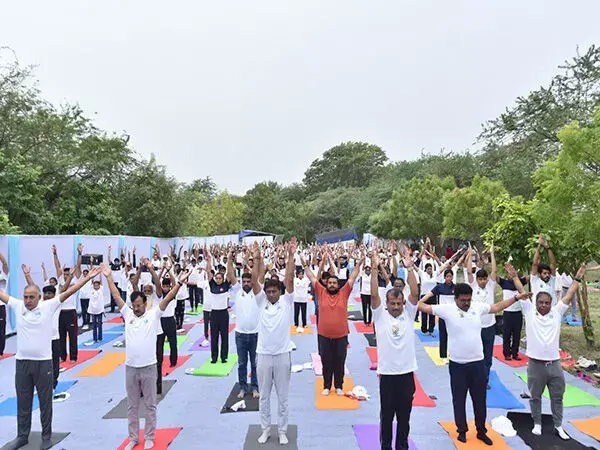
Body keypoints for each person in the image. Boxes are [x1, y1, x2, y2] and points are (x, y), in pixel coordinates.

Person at [418, 281, 532, 445]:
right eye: (463, 300)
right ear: (455, 299)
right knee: (459, 399)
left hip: (477, 364)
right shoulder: (447, 309)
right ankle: (462, 430)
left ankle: (481, 430)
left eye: (468, 300)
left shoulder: (477, 307)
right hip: (457, 365)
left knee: (479, 399)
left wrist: (516, 298)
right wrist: (425, 295)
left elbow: (497, 307)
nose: (466, 303)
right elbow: (422, 307)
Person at [1, 267, 100, 450]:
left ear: (39, 297)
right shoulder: (17, 305)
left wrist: (88, 279)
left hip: (43, 363)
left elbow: (70, 290)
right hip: (22, 363)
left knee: (45, 402)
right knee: (23, 401)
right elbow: (1, 294)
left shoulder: (49, 305)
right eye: (26, 297)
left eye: (32, 297)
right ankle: (22, 435)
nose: (28, 300)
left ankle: (46, 436)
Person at [103, 264, 187, 450]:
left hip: (149, 367)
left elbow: (169, 297)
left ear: (145, 303)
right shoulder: (128, 314)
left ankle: (149, 436)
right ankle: (133, 437)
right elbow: (116, 295)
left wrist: (180, 282)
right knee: (132, 406)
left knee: (150, 405)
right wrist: (109, 277)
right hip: (130, 368)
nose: (136, 309)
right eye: (134, 306)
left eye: (139, 306)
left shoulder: (153, 315)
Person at [509, 263, 585, 440]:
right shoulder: (529, 311)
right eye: (541, 303)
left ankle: (558, 426)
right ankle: (537, 423)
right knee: (535, 397)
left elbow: (570, 293)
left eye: (547, 303)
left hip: (555, 364)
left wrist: (579, 276)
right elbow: (520, 288)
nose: (543, 305)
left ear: (552, 303)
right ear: (535, 303)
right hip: (535, 364)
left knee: (557, 397)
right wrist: (514, 276)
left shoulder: (557, 312)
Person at [371, 246, 419, 450]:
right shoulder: (380, 316)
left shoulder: (409, 314)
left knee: (405, 417)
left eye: (399, 303)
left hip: (406, 374)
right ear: (387, 303)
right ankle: (385, 446)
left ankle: (402, 446)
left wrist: (409, 269)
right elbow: (374, 296)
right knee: (387, 416)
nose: (397, 306)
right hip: (388, 375)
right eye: (393, 303)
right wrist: (374, 271)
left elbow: (415, 293)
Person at [251, 239, 295, 445]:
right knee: (264, 397)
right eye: (268, 292)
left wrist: (291, 256)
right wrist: (257, 258)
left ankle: (283, 430)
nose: (270, 294)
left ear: (280, 292)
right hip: (264, 355)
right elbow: (253, 282)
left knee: (283, 398)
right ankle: (265, 429)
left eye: (274, 291)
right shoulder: (261, 303)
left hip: (283, 355)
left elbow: (290, 278)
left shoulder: (287, 302)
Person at [304, 247, 363, 395]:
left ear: (338, 285)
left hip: (341, 335)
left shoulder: (344, 293)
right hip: (324, 335)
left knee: (340, 361)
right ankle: (326, 386)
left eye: (334, 283)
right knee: (326, 361)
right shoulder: (321, 292)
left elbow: (353, 277)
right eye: (329, 283)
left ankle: (338, 386)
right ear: (326, 284)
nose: (331, 285)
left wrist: (358, 265)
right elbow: (312, 277)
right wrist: (305, 266)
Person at [230, 249, 261, 399]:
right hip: (240, 334)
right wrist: (230, 259)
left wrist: (255, 259)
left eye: (249, 281)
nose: (247, 283)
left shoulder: (257, 292)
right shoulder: (237, 292)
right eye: (245, 282)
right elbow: (230, 275)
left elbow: (256, 277)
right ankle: (242, 387)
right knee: (242, 363)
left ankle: (255, 387)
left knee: (255, 364)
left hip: (255, 334)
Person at [466, 246, 497, 388]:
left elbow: (494, 271)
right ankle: (474, 378)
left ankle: (485, 380)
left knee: (487, 356)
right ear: (477, 280)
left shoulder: (491, 286)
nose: (483, 281)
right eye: (481, 279)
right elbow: (468, 271)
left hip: (489, 326)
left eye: (485, 279)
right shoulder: (473, 287)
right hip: (475, 326)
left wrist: (491, 254)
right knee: (475, 354)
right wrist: (470, 254)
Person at [200, 250, 234, 363]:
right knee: (214, 337)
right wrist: (209, 259)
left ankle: (224, 357)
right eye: (217, 278)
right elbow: (209, 272)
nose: (218, 280)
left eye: (220, 278)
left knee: (224, 336)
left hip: (224, 314)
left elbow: (230, 273)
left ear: (223, 279)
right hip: (214, 314)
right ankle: (214, 357)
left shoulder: (225, 286)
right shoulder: (212, 285)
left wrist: (229, 259)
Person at [53, 244, 83, 363]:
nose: (65, 276)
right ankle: (62, 356)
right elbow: (57, 266)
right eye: (64, 274)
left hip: (71, 312)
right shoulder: (60, 281)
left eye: (67, 274)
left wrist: (80, 253)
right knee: (61, 335)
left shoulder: (75, 280)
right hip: (61, 313)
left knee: (72, 336)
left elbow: (79, 266)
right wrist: (55, 254)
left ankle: (73, 357)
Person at [497, 268, 528, 361]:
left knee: (517, 335)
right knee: (506, 334)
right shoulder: (504, 283)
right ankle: (506, 353)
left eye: (513, 273)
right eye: (509, 273)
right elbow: (494, 276)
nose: (511, 275)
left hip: (518, 313)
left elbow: (531, 276)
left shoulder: (520, 282)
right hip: (507, 312)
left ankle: (515, 353)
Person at [531, 234, 558, 304]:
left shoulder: (552, 280)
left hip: (551, 312)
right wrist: (539, 245)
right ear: (539, 274)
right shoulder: (535, 280)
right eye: (545, 273)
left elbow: (553, 264)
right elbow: (534, 264)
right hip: (537, 313)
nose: (547, 275)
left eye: (548, 273)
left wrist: (547, 247)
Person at [418, 262, 437, 336]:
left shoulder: (435, 274)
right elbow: (414, 266)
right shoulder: (422, 274)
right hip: (424, 296)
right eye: (428, 269)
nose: (430, 270)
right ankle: (424, 330)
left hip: (432, 296)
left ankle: (431, 330)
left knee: (432, 313)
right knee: (424, 314)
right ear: (425, 269)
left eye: (431, 269)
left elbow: (443, 267)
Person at [88, 278, 105, 344]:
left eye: (97, 285)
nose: (96, 286)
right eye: (94, 285)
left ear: (99, 286)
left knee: (100, 324)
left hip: (100, 310)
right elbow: (91, 282)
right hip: (93, 310)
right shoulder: (91, 290)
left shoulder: (101, 290)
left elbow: (101, 282)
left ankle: (100, 338)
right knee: (94, 325)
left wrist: (100, 274)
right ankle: (95, 339)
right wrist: (92, 276)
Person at [0, 251, 9, 356]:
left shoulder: (4, 276)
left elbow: (5, 263)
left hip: (1, 307)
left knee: (1, 330)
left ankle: (0, 351)